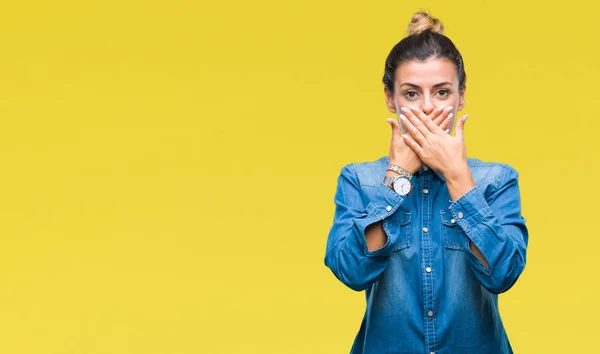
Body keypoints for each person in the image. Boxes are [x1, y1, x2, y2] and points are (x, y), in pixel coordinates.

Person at [324, 11, 528, 354]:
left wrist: (458, 178)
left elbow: (504, 274)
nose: (427, 108)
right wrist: (396, 180)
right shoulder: (360, 179)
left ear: (461, 96)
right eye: (412, 94)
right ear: (391, 98)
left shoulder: (496, 180)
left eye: (442, 92)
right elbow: (350, 271)